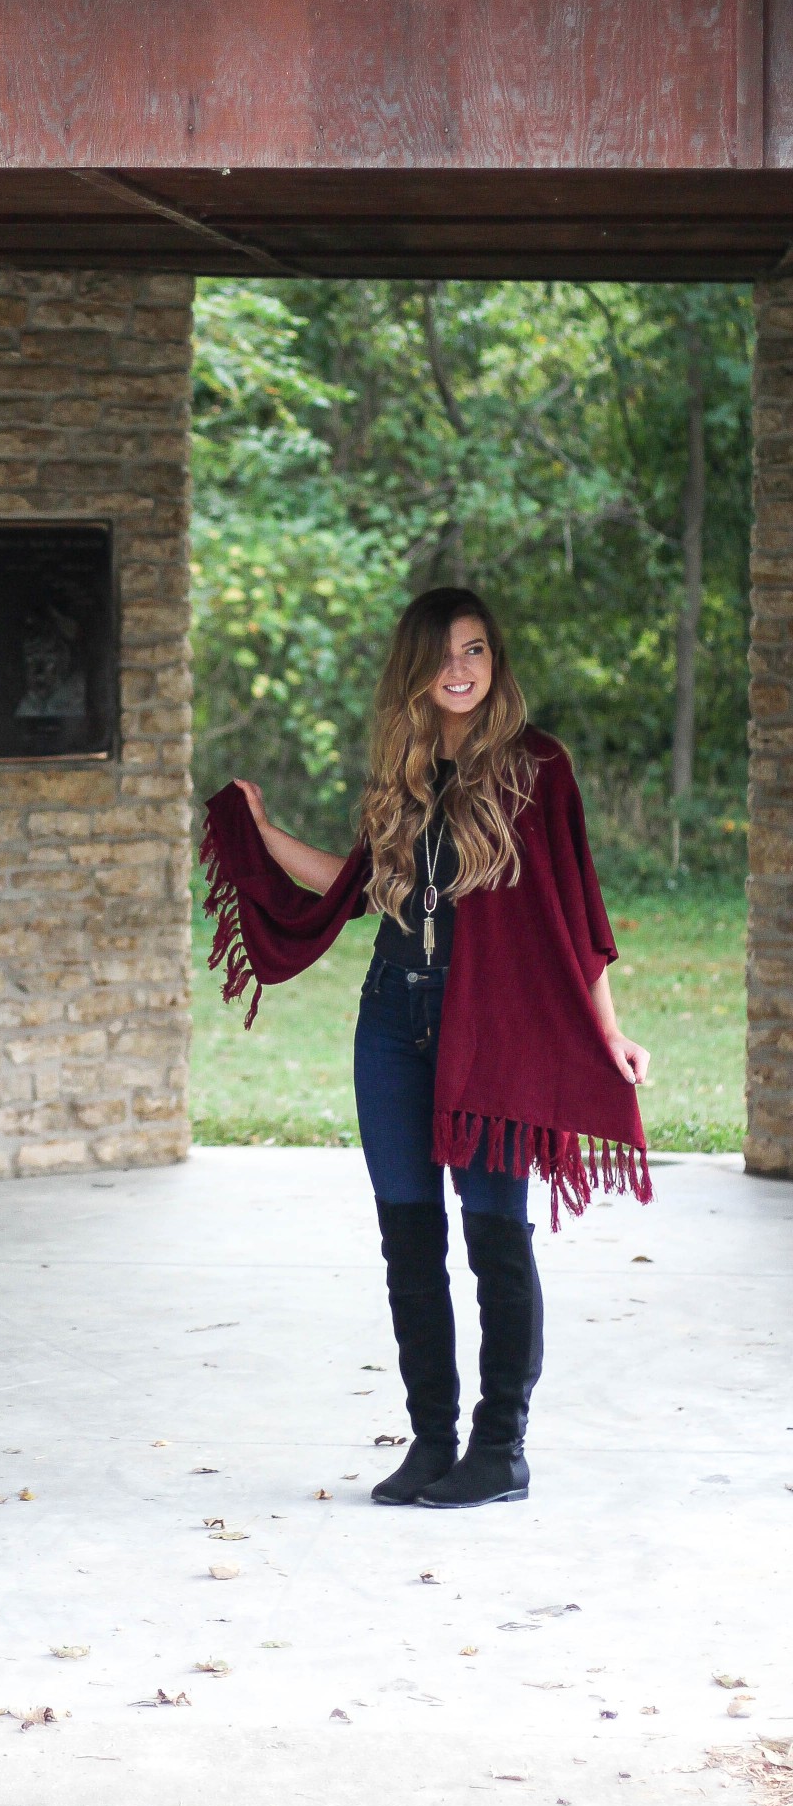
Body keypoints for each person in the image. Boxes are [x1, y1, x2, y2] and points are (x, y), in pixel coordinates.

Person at [199, 587, 650, 1510]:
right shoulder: (400, 772)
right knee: (410, 1238)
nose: (462, 669)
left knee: (495, 1235)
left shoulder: (537, 768)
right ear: (416, 666)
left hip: (495, 1028)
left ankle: (501, 1448)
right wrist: (266, 832)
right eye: (445, 653)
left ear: (495, 663)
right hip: (392, 1024)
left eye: (478, 651)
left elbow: (578, 913)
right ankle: (432, 1443)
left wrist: (605, 1028)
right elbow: (360, 889)